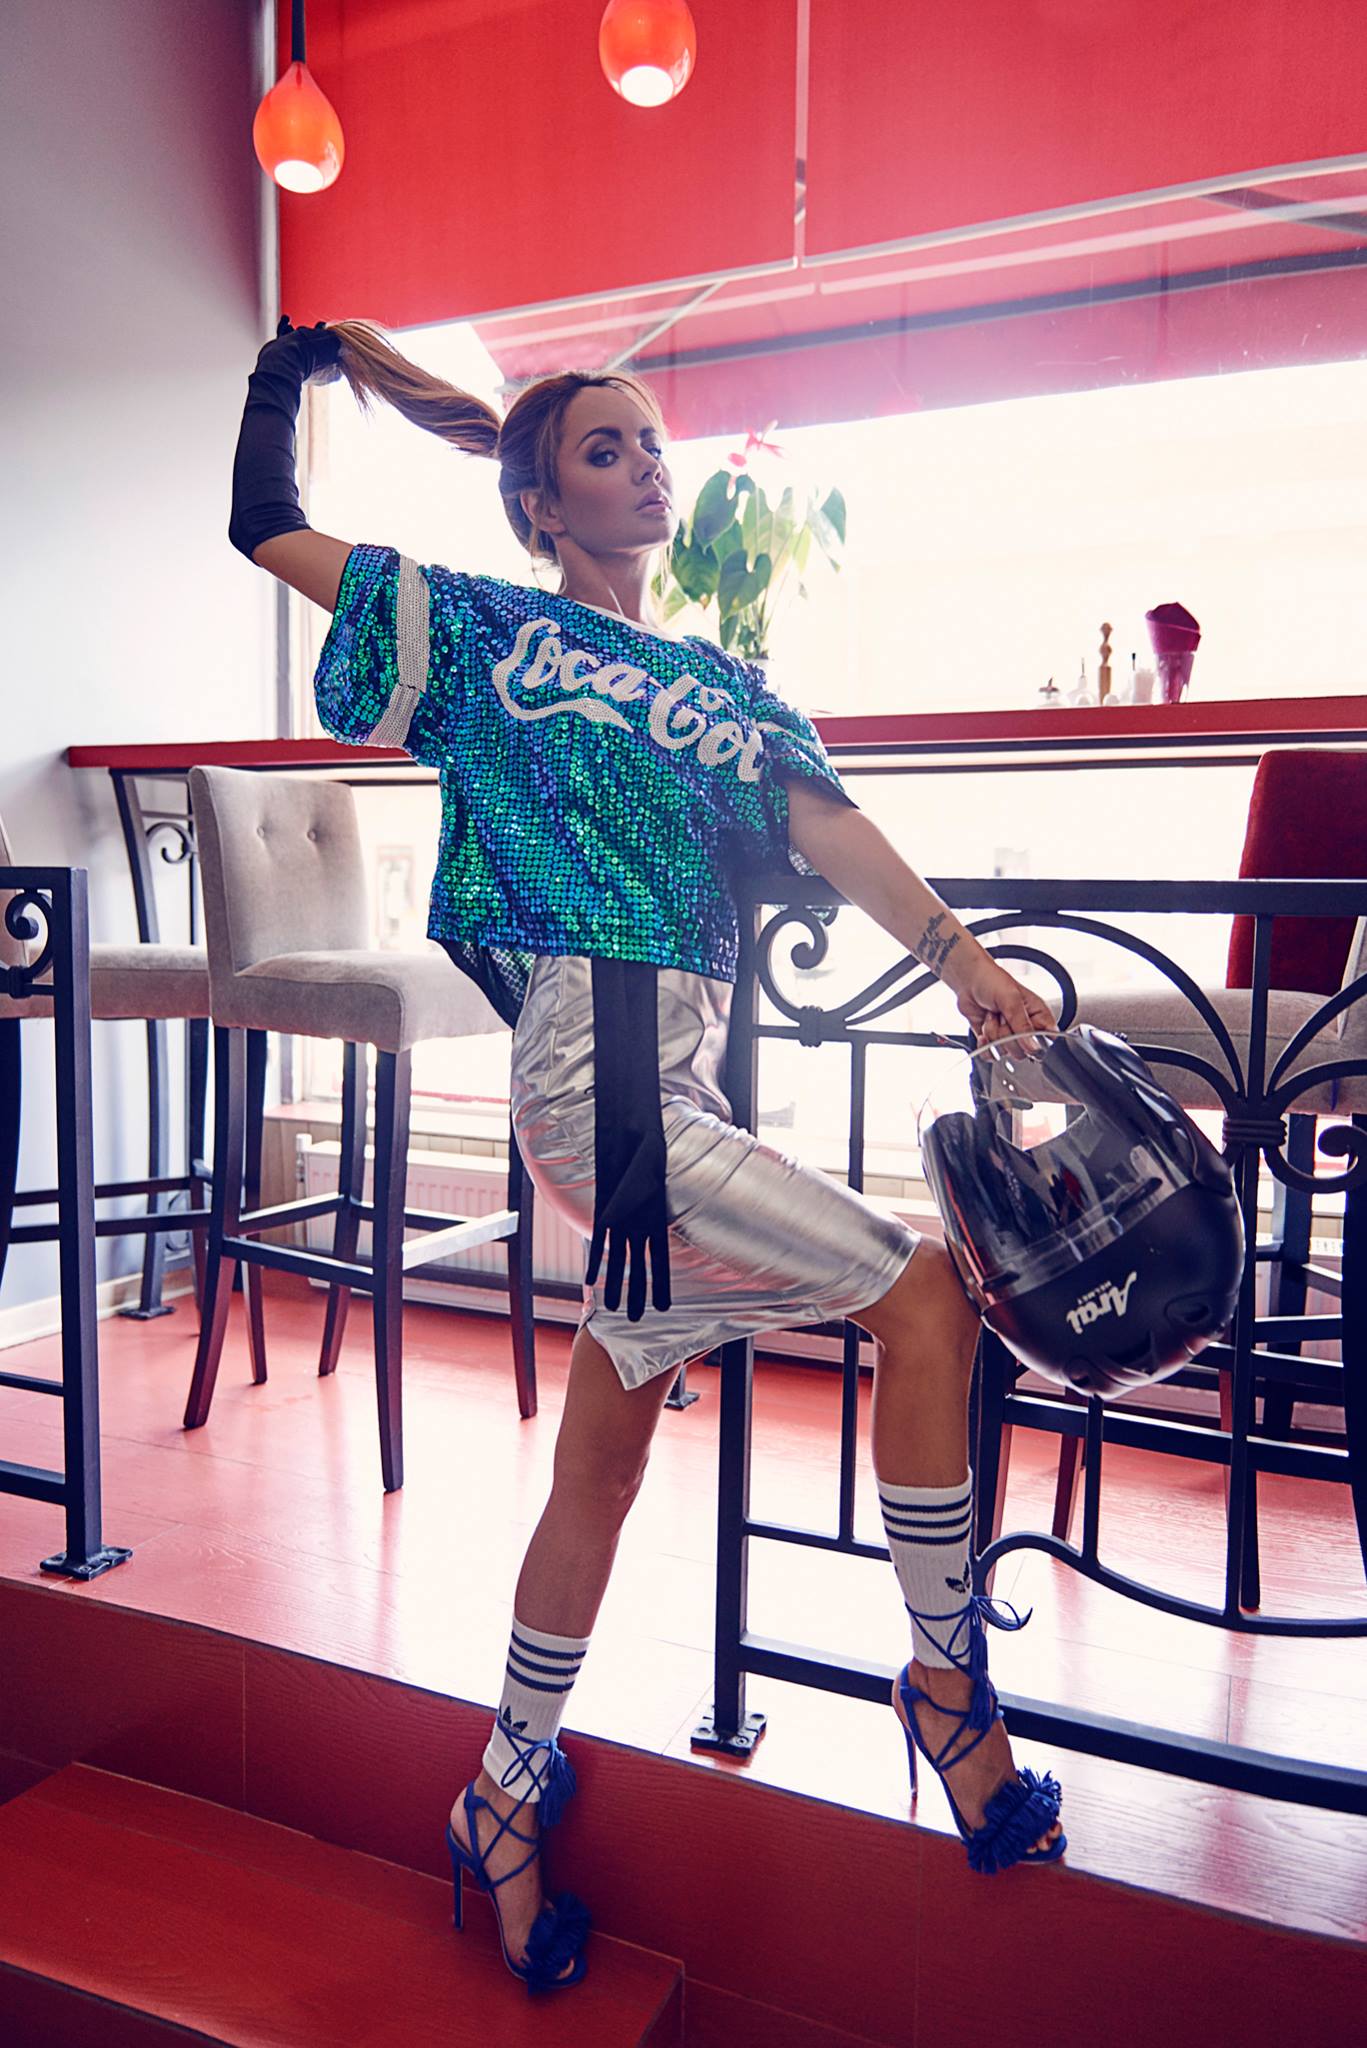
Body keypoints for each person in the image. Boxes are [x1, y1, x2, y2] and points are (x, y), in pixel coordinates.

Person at [228, 317, 1066, 1993]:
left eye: (651, 445)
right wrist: (295, 368)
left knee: (599, 1470)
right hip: (599, 1092)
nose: (646, 470)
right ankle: (945, 1689)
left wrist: (961, 957)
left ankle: (501, 1793)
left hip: (674, 1093)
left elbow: (834, 829)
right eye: (603, 451)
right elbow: (267, 528)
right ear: (541, 504)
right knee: (924, 1298)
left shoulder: (728, 686)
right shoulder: (484, 631)